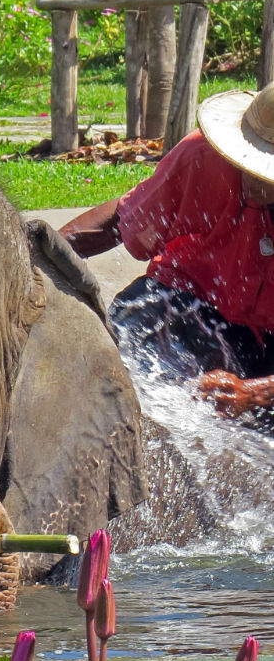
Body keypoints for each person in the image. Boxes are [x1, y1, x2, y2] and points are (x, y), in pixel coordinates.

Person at [59, 82, 274, 422]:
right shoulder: (205, 157)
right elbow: (122, 217)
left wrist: (256, 392)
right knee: (115, 354)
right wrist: (39, 253)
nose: (252, 178)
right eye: (249, 162)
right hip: (192, 301)